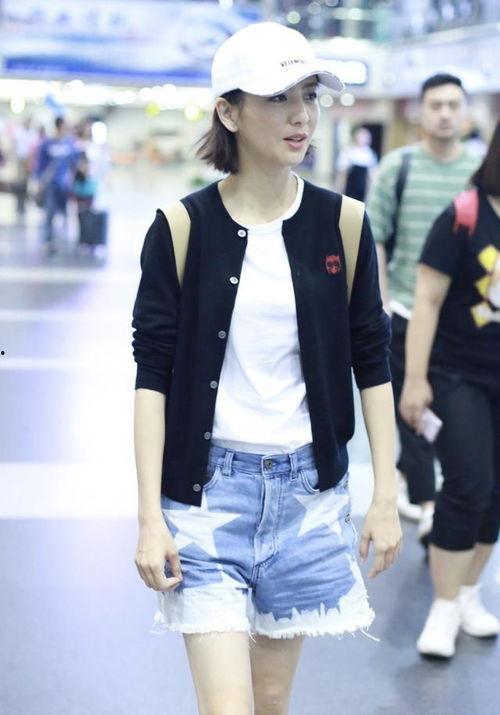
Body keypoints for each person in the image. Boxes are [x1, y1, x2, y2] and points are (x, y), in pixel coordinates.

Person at [132, 22, 401, 714]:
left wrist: (384, 494)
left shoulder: (343, 222)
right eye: (279, 97)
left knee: (272, 700)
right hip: (205, 497)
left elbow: (372, 360)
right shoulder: (181, 227)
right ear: (229, 112)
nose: (301, 115)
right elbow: (151, 375)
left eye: (308, 95)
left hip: (307, 497)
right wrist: (149, 517)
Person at [400, 121, 500, 658]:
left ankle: (468, 593)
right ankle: (442, 606)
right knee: (468, 484)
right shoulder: (464, 215)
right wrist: (415, 379)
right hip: (457, 373)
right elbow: (428, 301)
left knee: (495, 494)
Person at [367, 73, 480, 542]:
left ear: (467, 112)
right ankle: (430, 504)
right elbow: (374, 236)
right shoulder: (400, 167)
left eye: (454, 105)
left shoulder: (480, 169)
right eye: (436, 105)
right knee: (411, 408)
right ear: (420, 113)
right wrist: (381, 302)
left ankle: (420, 480)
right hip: (408, 310)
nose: (445, 114)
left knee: (455, 413)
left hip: (464, 323)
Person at [35, 116, 79, 255]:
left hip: (64, 186)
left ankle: (63, 240)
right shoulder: (47, 143)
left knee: (65, 214)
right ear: (59, 126)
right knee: (50, 213)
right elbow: (40, 165)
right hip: (50, 185)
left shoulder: (70, 144)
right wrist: (39, 181)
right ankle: (49, 241)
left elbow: (75, 163)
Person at [336, 126, 378, 201]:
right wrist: (340, 189)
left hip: (362, 190)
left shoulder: (369, 154)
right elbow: (342, 173)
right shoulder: (348, 151)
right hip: (349, 189)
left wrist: (370, 193)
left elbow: (371, 176)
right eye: (361, 136)